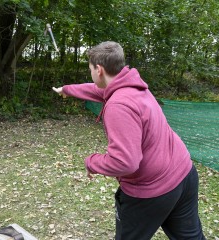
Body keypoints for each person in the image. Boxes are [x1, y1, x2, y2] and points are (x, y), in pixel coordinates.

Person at [52, 41, 206, 240]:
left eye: (90, 69)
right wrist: (67, 89)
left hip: (153, 191)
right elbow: (97, 90)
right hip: (184, 173)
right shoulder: (133, 85)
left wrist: (91, 162)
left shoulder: (119, 105)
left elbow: (125, 162)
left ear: (99, 69)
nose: (90, 73)